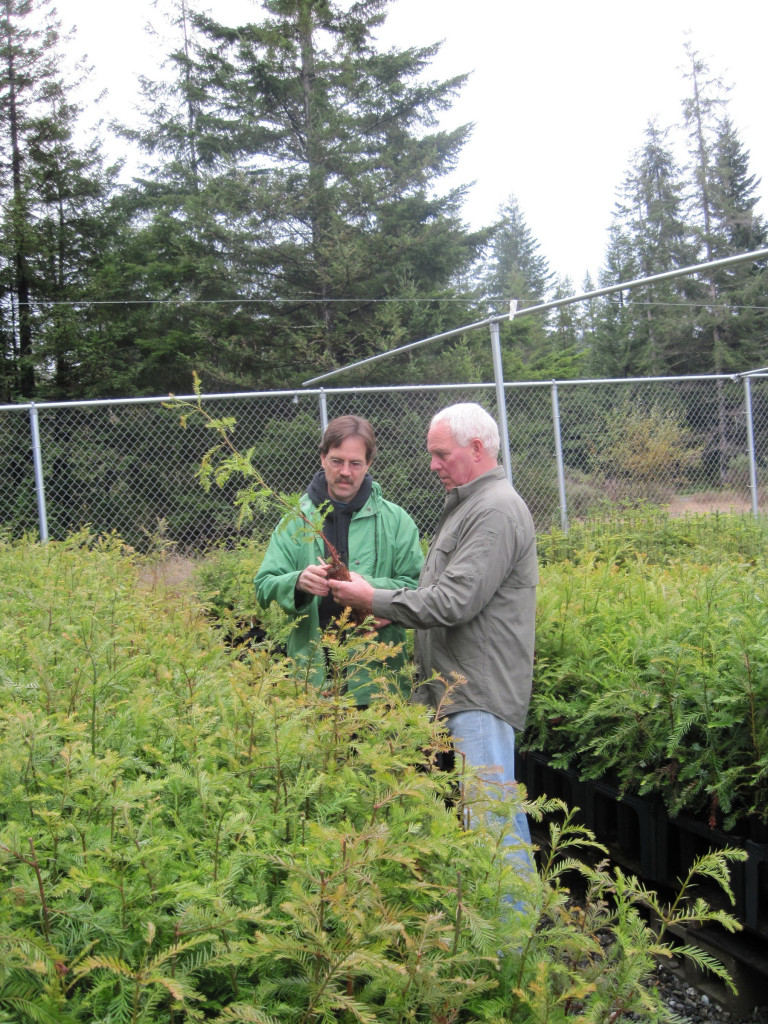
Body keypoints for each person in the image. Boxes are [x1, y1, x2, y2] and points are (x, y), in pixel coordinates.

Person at [328, 402, 538, 865]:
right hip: (457, 691)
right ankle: (508, 927)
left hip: (477, 693)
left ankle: (511, 934)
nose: (433, 465)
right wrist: (391, 607)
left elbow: (454, 602)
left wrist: (372, 600)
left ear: (477, 448)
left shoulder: (495, 511)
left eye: (441, 454)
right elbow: (439, 589)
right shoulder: (469, 506)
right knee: (486, 821)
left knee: (493, 830)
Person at [254, 415, 424, 706]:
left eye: (355, 463)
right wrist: (297, 582)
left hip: (377, 678)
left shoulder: (396, 522)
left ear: (368, 464)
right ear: (322, 458)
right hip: (311, 676)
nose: (346, 472)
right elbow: (264, 585)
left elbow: (419, 588)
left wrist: (372, 594)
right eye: (337, 461)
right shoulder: (296, 521)